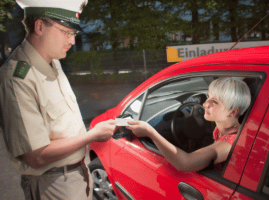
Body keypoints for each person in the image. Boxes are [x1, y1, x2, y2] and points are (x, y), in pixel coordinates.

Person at [0, 0, 116, 199]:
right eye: (66, 32)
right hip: (53, 185)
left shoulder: (53, 60)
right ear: (39, 26)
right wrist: (93, 135)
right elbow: (36, 156)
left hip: (78, 174)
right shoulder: (17, 76)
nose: (72, 41)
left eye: (74, 34)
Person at [127, 77, 251, 172]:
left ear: (233, 111)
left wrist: (150, 132)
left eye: (214, 102)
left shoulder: (228, 143)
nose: (205, 104)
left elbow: (185, 163)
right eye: (208, 96)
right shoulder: (225, 129)